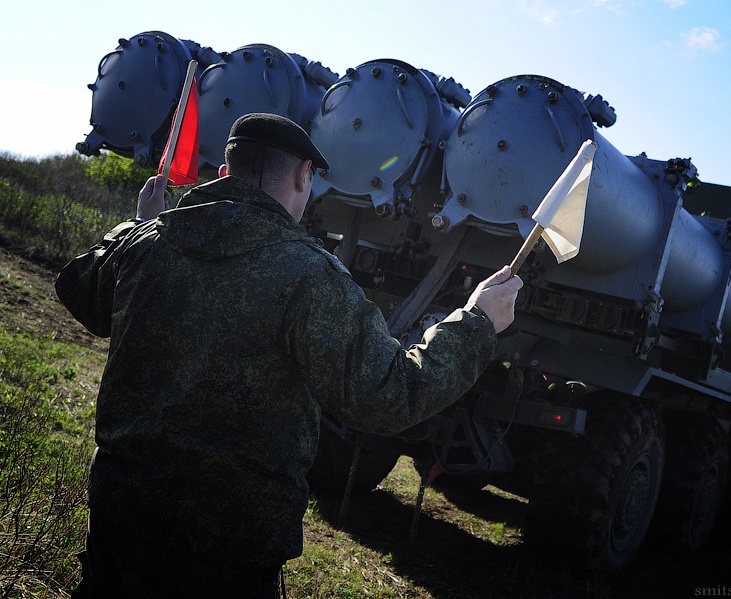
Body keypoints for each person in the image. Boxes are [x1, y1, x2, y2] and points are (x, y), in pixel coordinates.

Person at [56, 112, 522, 598]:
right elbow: (386, 397)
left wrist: (136, 225)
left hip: (121, 515)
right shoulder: (311, 277)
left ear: (223, 171)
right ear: (303, 176)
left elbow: (79, 292)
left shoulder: (148, 242)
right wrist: (476, 322)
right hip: (230, 546)